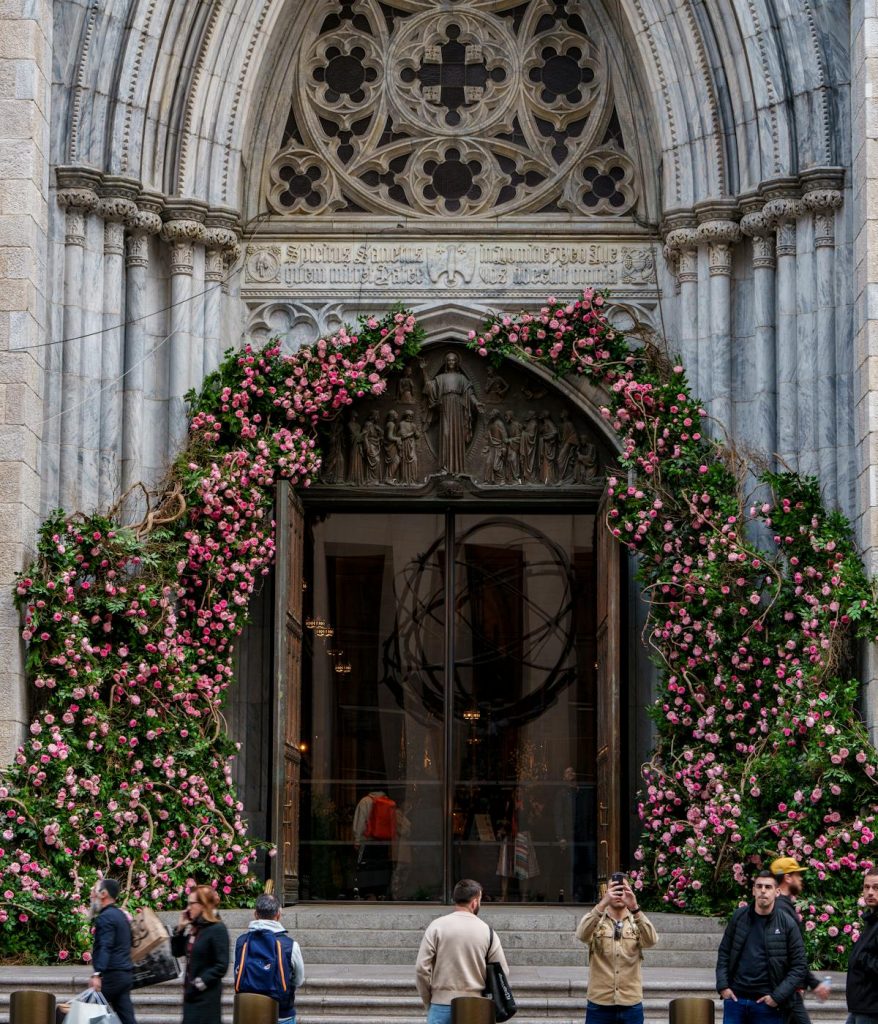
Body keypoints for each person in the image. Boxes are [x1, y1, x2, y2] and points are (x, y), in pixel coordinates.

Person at [716, 870, 807, 1024]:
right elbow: (724, 952)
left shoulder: (787, 924)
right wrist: (723, 986)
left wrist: (776, 997)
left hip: (767, 1006)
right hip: (735, 1001)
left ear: (777, 892)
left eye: (768, 887)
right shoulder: (739, 917)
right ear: (753, 890)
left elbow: (799, 966)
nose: (763, 890)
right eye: (759, 886)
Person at [415, 878, 509, 1024]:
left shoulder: (436, 927)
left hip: (441, 1003)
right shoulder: (487, 931)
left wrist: (430, 1000)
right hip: (476, 1006)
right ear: (475, 902)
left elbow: (421, 969)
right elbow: (502, 972)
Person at [575, 871, 658, 1024]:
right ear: (606, 892)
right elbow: (581, 934)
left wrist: (635, 907)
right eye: (615, 889)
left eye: (624, 889)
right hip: (599, 1004)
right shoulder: (596, 920)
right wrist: (602, 904)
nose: (619, 893)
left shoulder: (637, 921)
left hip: (631, 1004)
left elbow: (651, 940)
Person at [769, 855, 831, 1022]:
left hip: (787, 990)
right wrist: (814, 983)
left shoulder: (781, 906)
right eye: (797, 874)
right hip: (787, 992)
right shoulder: (781, 909)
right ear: (788, 877)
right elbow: (791, 955)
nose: (800, 879)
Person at [234, 892, 305, 1023]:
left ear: (255, 914)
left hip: (248, 1014)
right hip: (282, 1014)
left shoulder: (241, 942)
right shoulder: (290, 945)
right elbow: (299, 980)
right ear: (278, 914)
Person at [170, 885, 230, 1024]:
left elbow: (222, 965)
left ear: (203, 905)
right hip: (191, 996)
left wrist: (200, 982)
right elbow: (177, 951)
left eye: (192, 903)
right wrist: (180, 928)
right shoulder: (196, 928)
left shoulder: (217, 929)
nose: (188, 908)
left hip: (206, 997)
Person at [89, 878, 137, 1024]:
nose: (91, 895)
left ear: (103, 894)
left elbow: (105, 946)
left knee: (88, 1013)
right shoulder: (121, 915)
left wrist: (97, 974)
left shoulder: (105, 918)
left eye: (94, 891)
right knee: (127, 1019)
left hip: (112, 976)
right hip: (124, 975)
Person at [553, 765, 596, 902]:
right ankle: (572, 895)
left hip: (585, 836)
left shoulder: (582, 792)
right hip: (570, 836)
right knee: (573, 865)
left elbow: (590, 813)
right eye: (568, 772)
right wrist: (561, 837)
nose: (571, 774)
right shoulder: (561, 794)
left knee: (589, 864)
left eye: (573, 771)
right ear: (563, 777)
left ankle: (591, 894)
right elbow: (558, 817)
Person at [845, 869, 878, 1024]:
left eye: (876, 888)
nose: (870, 892)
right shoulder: (871, 921)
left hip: (871, 1010)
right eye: (866, 887)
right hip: (860, 1008)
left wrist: (862, 957)